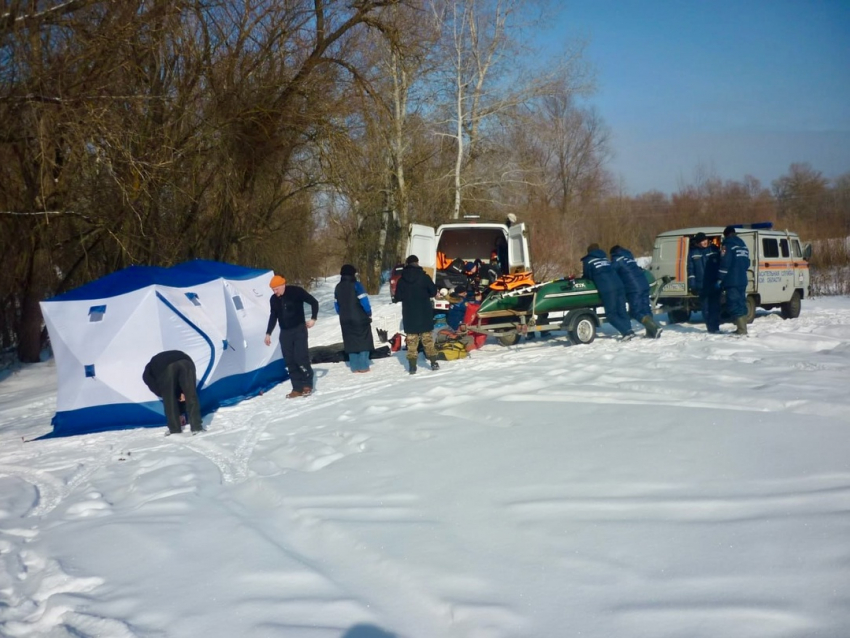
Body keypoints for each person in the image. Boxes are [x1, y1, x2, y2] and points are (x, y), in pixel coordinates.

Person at [264, 274, 319, 397]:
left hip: (299, 329)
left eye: (276, 289)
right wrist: (268, 333)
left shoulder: (296, 292)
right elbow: (273, 316)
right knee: (289, 360)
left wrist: (313, 319)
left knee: (300, 357)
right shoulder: (273, 299)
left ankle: (307, 384)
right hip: (285, 332)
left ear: (283, 285)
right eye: (272, 290)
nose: (275, 292)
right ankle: (297, 388)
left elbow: (314, 302)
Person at [394, 254, 440, 374]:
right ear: (417, 263)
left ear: (407, 264)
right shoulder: (424, 277)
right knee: (427, 340)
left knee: (412, 342)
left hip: (410, 315)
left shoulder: (402, 280)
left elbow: (397, 296)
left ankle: (412, 366)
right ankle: (434, 362)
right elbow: (433, 291)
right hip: (424, 314)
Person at [581, 244, 635, 340]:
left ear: (589, 252)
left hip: (608, 289)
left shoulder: (588, 260)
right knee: (622, 311)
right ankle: (629, 330)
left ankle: (626, 332)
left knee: (611, 314)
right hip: (619, 285)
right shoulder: (605, 259)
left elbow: (588, 275)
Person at [143, 350, 203, 435]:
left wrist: (164, 393)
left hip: (166, 367)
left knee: (169, 400)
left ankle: (174, 429)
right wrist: (182, 393)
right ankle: (197, 427)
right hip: (186, 362)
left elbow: (157, 388)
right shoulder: (154, 364)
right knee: (191, 395)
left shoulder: (149, 371)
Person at [610, 245, 663, 339]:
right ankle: (651, 332)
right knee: (646, 309)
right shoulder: (629, 258)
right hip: (644, 284)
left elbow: (610, 272)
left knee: (636, 312)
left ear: (613, 253)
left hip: (634, 288)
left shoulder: (617, 260)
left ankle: (655, 327)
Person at [334, 264, 374, 373]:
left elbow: (336, 305)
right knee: (363, 339)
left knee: (350, 341)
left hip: (344, 318)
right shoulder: (357, 285)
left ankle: (354, 367)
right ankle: (364, 366)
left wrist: (342, 313)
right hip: (359, 317)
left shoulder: (338, 287)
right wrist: (368, 312)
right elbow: (364, 301)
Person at [717, 226, 751, 336]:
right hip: (742, 279)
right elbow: (747, 263)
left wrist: (719, 278)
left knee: (733, 304)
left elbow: (725, 263)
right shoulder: (742, 244)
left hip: (732, 280)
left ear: (726, 234)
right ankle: (742, 328)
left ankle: (741, 330)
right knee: (741, 303)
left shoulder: (728, 244)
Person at [687, 232, 722, 333]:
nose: (704, 242)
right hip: (701, 285)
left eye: (705, 240)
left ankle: (715, 327)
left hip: (714, 283)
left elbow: (721, 264)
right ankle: (710, 328)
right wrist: (692, 284)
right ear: (697, 243)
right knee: (705, 308)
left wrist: (721, 280)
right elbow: (691, 270)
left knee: (715, 307)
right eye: (702, 241)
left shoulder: (714, 249)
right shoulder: (693, 253)